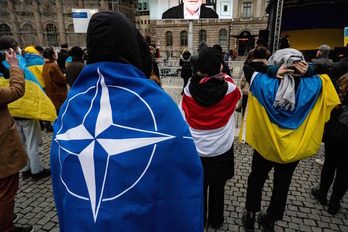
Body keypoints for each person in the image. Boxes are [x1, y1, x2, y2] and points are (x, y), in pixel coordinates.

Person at [50, 11, 204, 232]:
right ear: (133, 46)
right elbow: (184, 179)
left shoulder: (70, 107)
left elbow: (62, 177)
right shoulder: (160, 105)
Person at [240, 48, 340, 232]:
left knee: (256, 178)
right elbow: (332, 73)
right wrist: (310, 70)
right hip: (293, 149)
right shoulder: (315, 85)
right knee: (282, 184)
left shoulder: (264, 83)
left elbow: (248, 67)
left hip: (266, 145)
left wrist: (271, 71)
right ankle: (270, 219)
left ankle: (251, 215)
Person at [179, 47, 240, 229]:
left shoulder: (189, 90)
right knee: (218, 188)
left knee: (200, 188)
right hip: (221, 149)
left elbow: (183, 115)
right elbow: (228, 80)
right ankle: (216, 219)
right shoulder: (230, 90)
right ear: (219, 67)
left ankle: (201, 220)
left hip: (197, 150)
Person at [0, 37, 56, 181]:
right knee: (34, 142)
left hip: (9, 111)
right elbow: (33, 86)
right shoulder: (18, 62)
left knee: (21, 141)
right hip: (26, 110)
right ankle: (37, 170)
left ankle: (25, 169)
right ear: (13, 49)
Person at [0, 48, 34, 232]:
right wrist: (14, 66)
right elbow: (17, 90)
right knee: (5, 193)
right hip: (3, 152)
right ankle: (6, 227)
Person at [311, 72, 348, 215]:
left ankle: (322, 193)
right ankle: (334, 203)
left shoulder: (342, 81)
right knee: (345, 170)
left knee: (330, 163)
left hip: (336, 132)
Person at [42, 47, 68, 115]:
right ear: (52, 55)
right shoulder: (53, 66)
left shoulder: (45, 65)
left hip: (51, 93)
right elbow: (61, 80)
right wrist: (65, 76)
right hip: (58, 94)